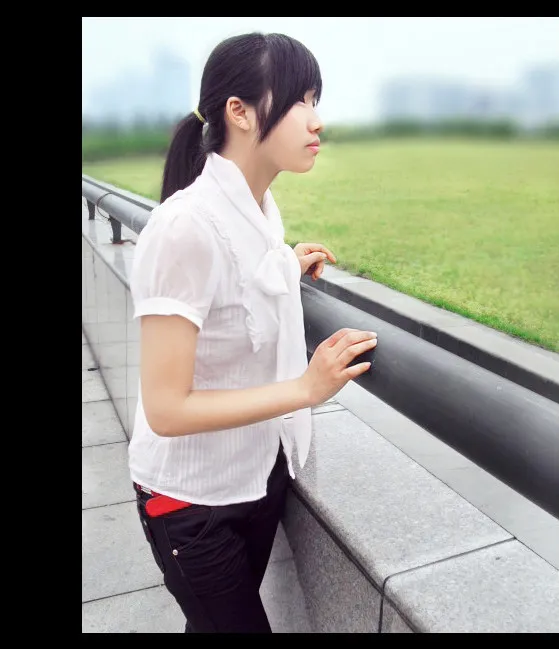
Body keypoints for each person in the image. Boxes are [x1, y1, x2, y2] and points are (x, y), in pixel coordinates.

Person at [127, 32, 378, 633]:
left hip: (258, 477)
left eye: (316, 101)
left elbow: (233, 288)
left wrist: (286, 264)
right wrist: (306, 389)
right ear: (238, 112)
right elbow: (166, 409)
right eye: (299, 102)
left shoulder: (262, 212)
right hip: (191, 502)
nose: (317, 121)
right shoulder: (183, 227)